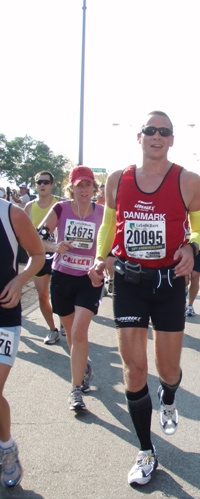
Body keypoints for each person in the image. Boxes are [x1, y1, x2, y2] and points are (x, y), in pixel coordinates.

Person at [88, 110, 200, 487]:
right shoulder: (116, 179)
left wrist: (192, 247)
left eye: (164, 132)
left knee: (168, 369)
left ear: (172, 140)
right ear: (138, 137)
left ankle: (169, 397)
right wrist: (99, 257)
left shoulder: (188, 181)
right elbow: (109, 225)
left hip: (169, 283)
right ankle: (145, 451)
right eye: (150, 130)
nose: (157, 136)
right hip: (129, 282)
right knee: (135, 368)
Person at [39, 166, 104, 410]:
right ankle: (83, 368)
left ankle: (75, 391)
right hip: (62, 276)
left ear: (94, 187)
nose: (84, 189)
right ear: (71, 188)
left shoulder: (103, 212)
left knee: (78, 332)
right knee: (70, 334)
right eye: (79, 185)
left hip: (89, 279)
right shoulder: (61, 209)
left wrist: (100, 263)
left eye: (88, 184)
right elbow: (38, 238)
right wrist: (56, 247)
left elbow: (110, 245)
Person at [0, 198, 45, 487]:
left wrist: (20, 281)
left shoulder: (10, 213)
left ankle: (6, 448)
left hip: (4, 313)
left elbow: (38, 255)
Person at [24, 171, 62, 345]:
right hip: (39, 257)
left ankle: (65, 322)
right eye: (39, 182)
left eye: (46, 182)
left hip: (60, 255)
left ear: (52, 184)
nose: (42, 185)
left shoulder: (60, 204)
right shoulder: (29, 207)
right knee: (42, 296)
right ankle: (52, 329)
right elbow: (22, 234)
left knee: (61, 294)